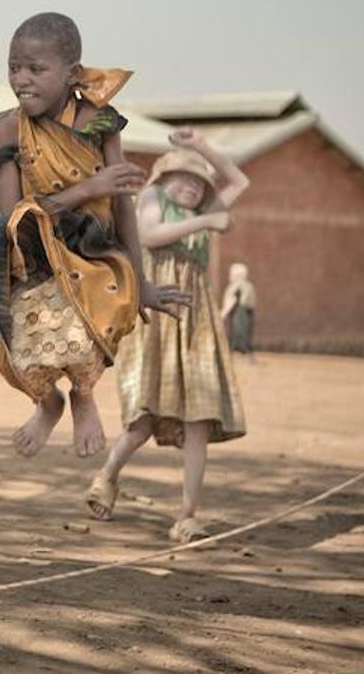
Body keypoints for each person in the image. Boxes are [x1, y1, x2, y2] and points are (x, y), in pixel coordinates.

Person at [0, 12, 186, 458]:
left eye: (36, 69)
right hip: (32, 252)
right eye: (13, 67)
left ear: (72, 74)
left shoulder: (99, 122)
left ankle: (82, 394)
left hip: (95, 252)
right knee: (16, 346)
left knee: (83, 323)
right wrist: (86, 189)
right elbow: (13, 215)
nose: (21, 79)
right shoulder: (6, 129)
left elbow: (121, 204)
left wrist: (142, 282)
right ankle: (49, 402)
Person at [86, 132, 249, 543]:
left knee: (199, 418)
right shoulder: (155, 200)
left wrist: (201, 149)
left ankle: (187, 515)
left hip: (196, 321)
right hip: (157, 314)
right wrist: (208, 220)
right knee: (142, 418)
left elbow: (240, 182)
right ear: (163, 178)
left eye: (199, 184)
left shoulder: (205, 207)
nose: (192, 187)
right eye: (183, 178)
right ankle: (107, 477)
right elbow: (149, 235)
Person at [221, 262, 257, 356]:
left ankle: (240, 350)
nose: (230, 277)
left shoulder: (239, 286)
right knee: (242, 331)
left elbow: (233, 300)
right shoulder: (247, 285)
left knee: (240, 330)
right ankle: (242, 349)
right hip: (243, 312)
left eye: (231, 274)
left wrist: (223, 313)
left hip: (240, 312)